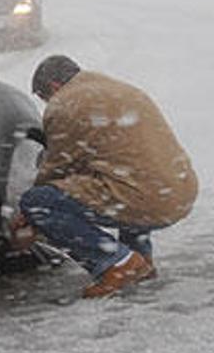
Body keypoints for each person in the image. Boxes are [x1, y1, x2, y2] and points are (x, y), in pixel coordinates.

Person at [16, 55, 198, 298]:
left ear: (54, 87)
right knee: (126, 180)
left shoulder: (65, 104)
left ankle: (117, 263)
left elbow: (57, 168)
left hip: (146, 198)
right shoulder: (122, 90)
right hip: (179, 191)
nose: (47, 102)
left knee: (38, 201)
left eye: (43, 97)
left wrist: (27, 216)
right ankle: (139, 259)